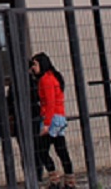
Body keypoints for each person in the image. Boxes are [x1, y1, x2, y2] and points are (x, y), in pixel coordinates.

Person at [31, 52, 73, 188]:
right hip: (59, 116)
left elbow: (49, 102)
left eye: (35, 64)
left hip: (52, 118)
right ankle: (69, 180)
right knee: (61, 149)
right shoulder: (53, 77)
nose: (33, 68)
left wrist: (47, 124)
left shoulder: (45, 80)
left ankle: (54, 179)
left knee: (42, 150)